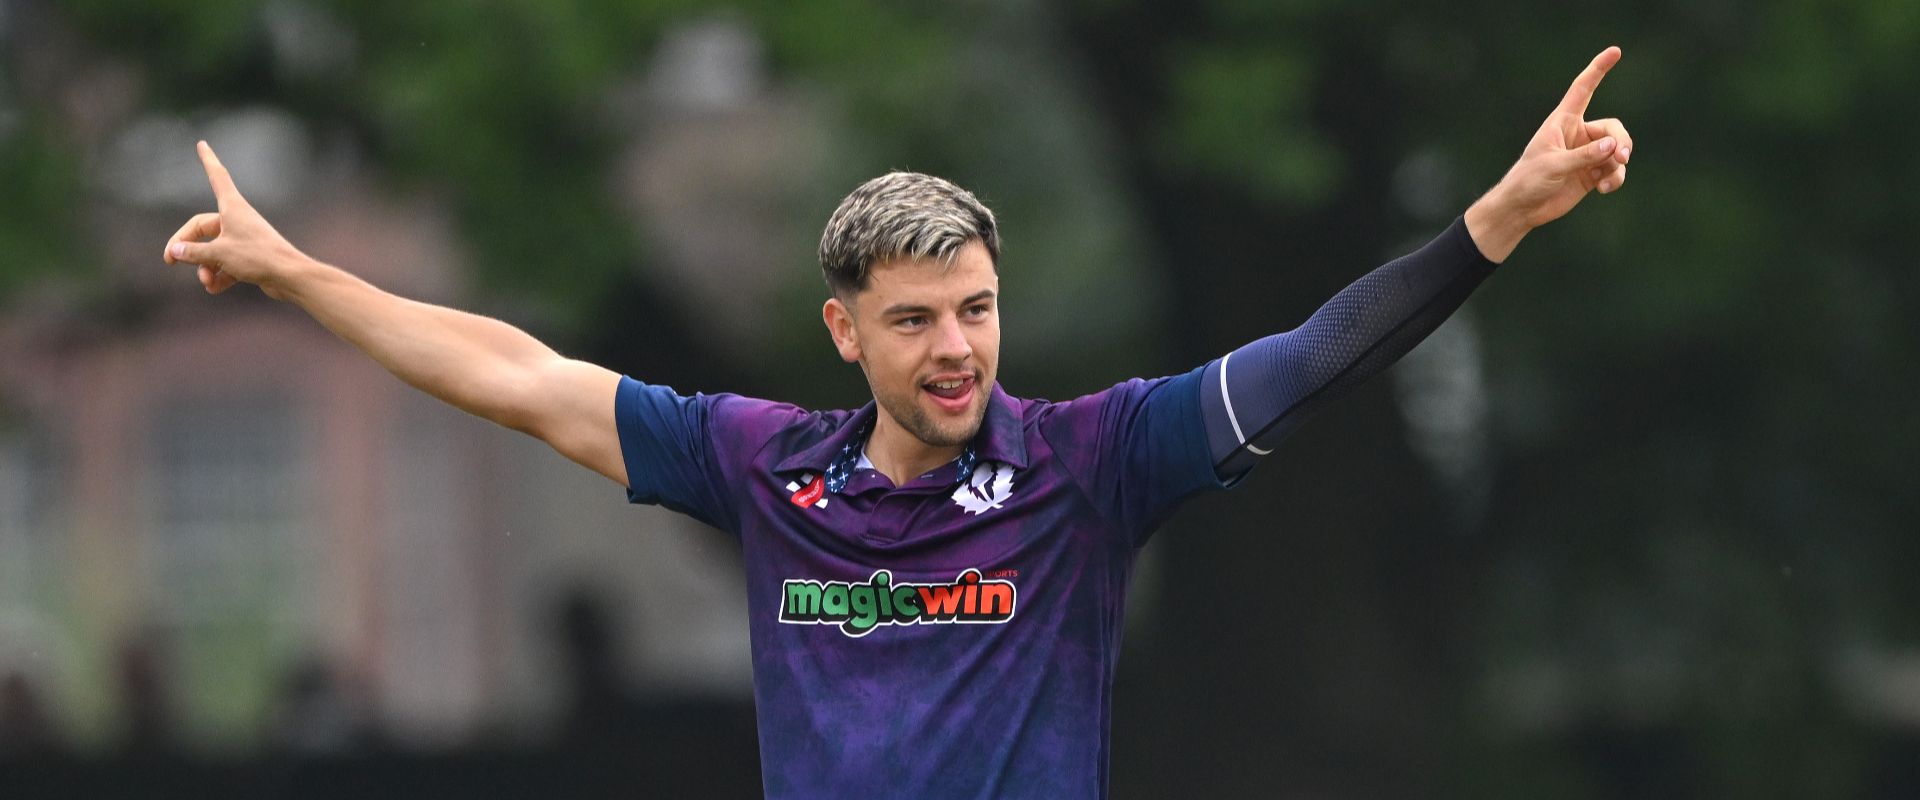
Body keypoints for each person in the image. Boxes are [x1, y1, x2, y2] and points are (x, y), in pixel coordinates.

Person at [164, 46, 1633, 800]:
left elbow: (1317, 357)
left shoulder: (1090, 462)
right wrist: (295, 272)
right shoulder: (761, 466)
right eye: (919, 319)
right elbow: (514, 373)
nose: (957, 348)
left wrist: (1497, 217)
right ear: (845, 331)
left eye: (978, 310)